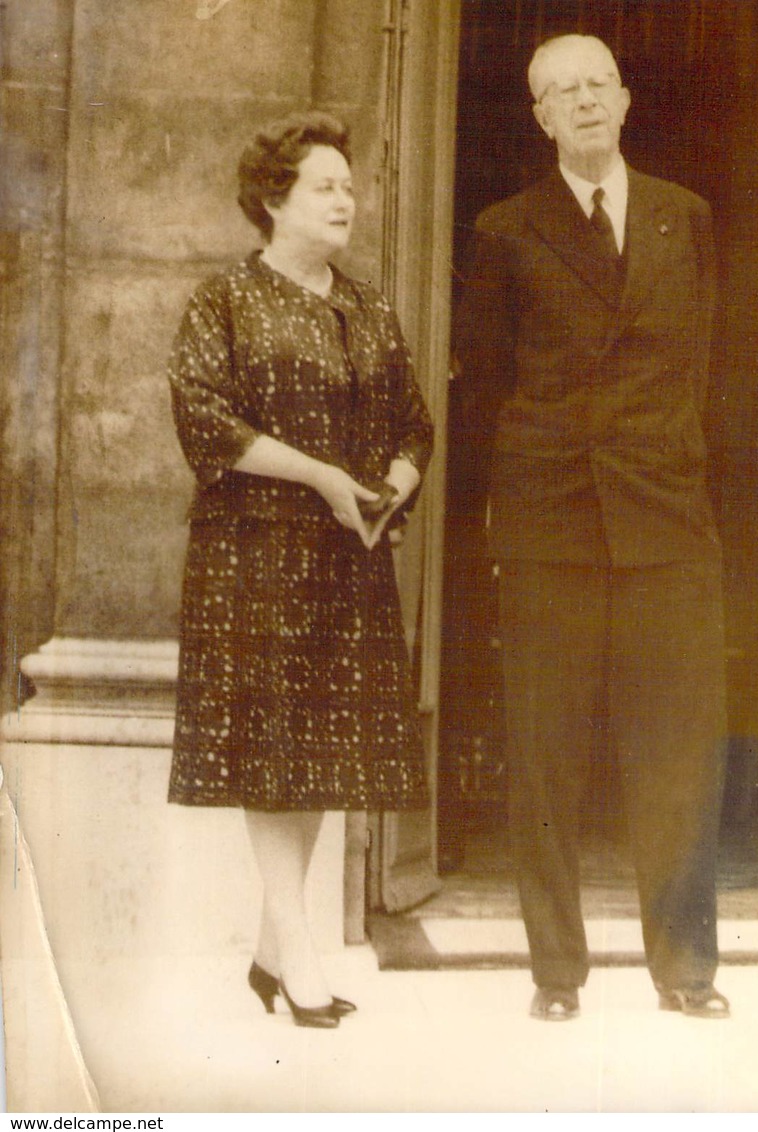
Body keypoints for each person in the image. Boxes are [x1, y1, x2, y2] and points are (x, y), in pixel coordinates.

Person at [453, 34, 729, 1022]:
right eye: (558, 91)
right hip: (550, 524)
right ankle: (555, 972)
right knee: (546, 753)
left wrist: (676, 475)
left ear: (626, 97)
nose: (581, 102)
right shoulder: (506, 230)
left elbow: (704, 370)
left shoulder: (682, 218)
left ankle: (686, 968)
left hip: (664, 520)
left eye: (596, 84)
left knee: (677, 753)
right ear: (537, 117)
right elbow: (483, 389)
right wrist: (500, 519)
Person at [166, 112, 434, 1028]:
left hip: (346, 559)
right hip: (253, 558)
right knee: (270, 756)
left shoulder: (368, 307)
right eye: (325, 187)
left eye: (350, 188)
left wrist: (386, 492)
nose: (345, 201)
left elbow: (413, 425)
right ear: (274, 200)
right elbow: (205, 418)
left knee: (319, 758)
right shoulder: (225, 301)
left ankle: (273, 954)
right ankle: (301, 953)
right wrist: (322, 476)